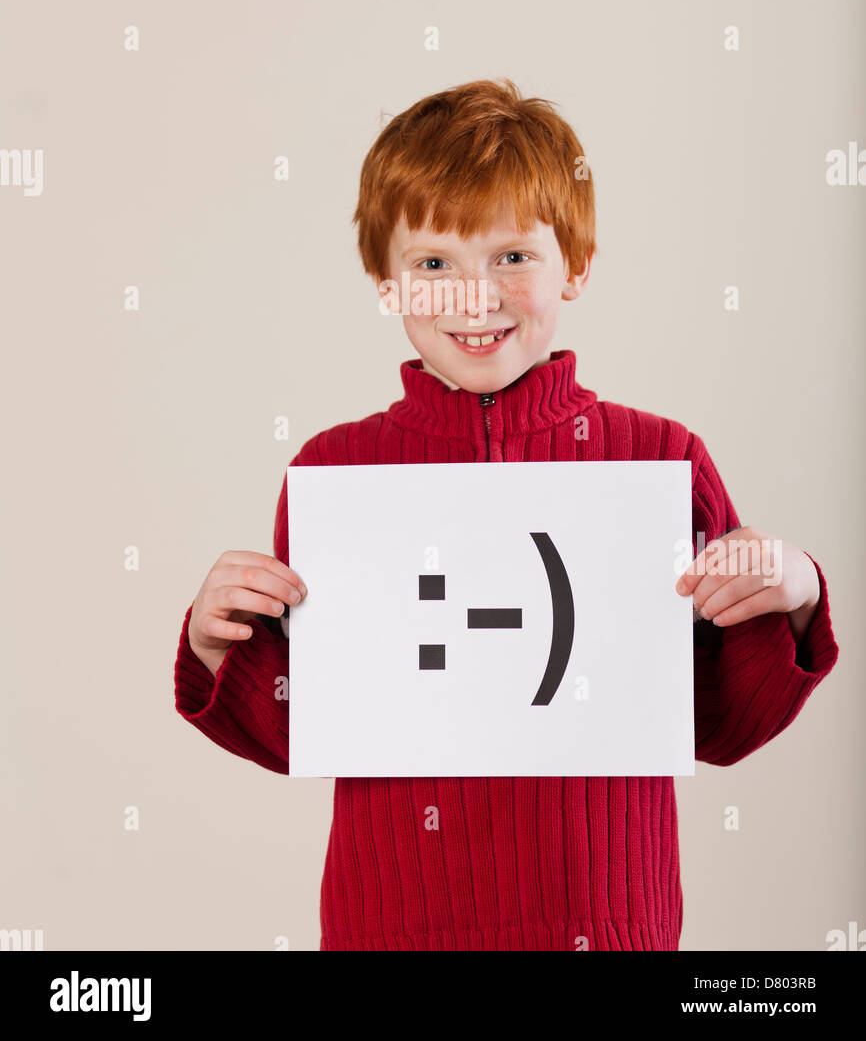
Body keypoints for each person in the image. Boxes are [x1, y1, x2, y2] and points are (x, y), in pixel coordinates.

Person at [173, 76, 838, 951]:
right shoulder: (334, 473)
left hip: (605, 921)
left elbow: (716, 725)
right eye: (434, 264)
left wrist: (788, 595)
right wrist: (215, 643)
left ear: (579, 263)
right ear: (387, 282)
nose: (472, 296)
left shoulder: (660, 459)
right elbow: (323, 719)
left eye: (513, 257)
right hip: (393, 925)